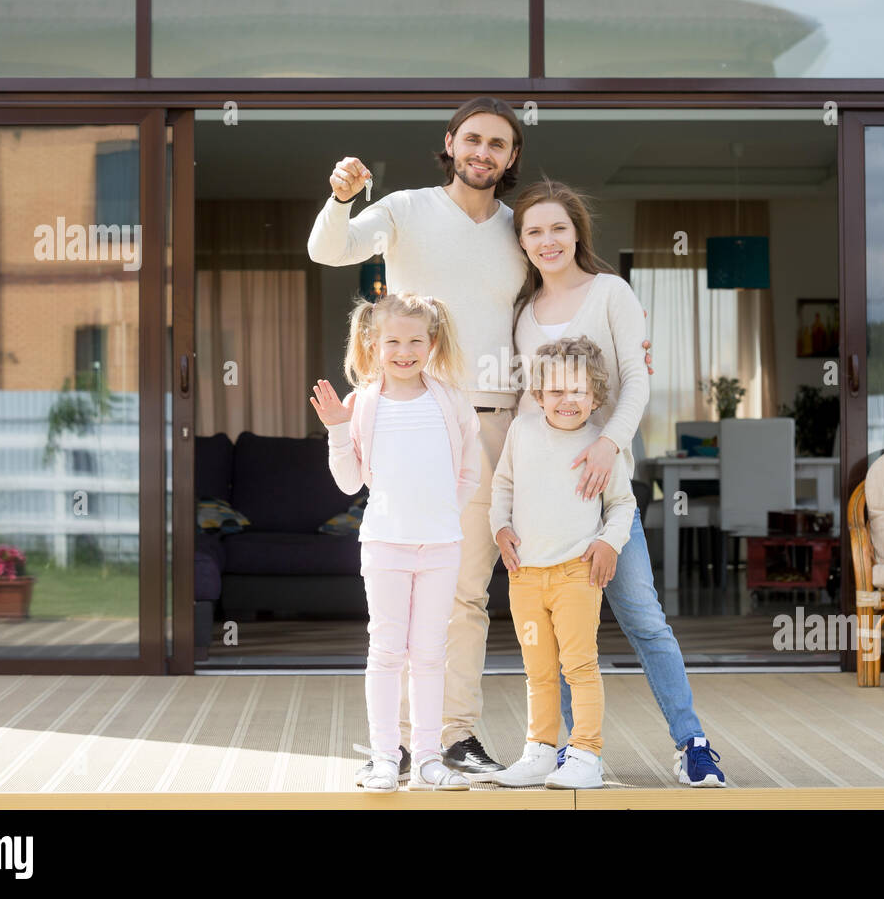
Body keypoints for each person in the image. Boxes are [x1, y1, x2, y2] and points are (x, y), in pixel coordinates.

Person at [306, 98, 652, 778]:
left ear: (511, 157)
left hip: (520, 426)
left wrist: (619, 367)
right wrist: (339, 198)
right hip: (435, 422)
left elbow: (558, 312)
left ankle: (459, 738)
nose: (484, 153)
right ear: (451, 144)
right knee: (438, 588)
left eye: (498, 144)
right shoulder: (405, 209)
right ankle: (422, 740)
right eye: (473, 140)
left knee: (482, 590)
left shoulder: (519, 232)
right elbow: (328, 249)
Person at [509, 179, 727, 787]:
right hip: (547, 508)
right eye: (533, 231)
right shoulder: (524, 314)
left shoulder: (611, 292)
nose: (547, 241)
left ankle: (692, 743)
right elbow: (531, 405)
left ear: (577, 231)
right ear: (522, 243)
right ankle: (575, 753)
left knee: (642, 617)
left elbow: (637, 379)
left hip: (607, 496)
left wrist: (609, 443)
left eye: (557, 228)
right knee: (562, 635)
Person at [309, 292, 478, 792]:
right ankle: (386, 756)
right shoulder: (362, 404)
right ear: (373, 343)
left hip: (441, 547)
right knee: (386, 651)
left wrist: (448, 510)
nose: (405, 351)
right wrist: (338, 431)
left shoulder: (450, 400)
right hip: (384, 546)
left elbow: (468, 469)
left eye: (415, 341)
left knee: (429, 654)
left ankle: (428, 758)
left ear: (432, 343)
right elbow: (347, 483)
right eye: (393, 342)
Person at [486, 337, 634, 789]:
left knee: (580, 667)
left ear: (595, 395)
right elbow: (502, 488)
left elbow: (623, 505)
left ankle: (586, 755)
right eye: (555, 391)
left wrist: (610, 542)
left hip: (576, 574)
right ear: (538, 394)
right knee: (538, 671)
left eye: (578, 391)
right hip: (525, 576)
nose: (567, 400)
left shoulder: (603, 444)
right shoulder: (522, 432)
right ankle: (540, 752)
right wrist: (500, 528)